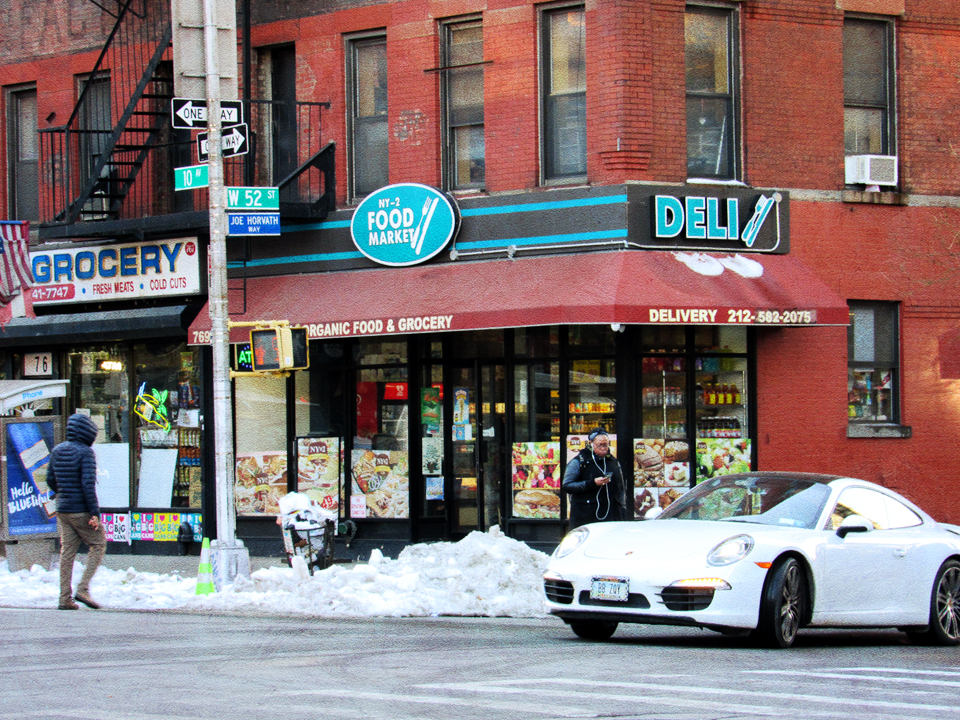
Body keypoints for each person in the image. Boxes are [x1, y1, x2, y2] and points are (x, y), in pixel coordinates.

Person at [47, 413, 105, 610]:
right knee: (98, 544)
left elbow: (50, 479)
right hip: (81, 510)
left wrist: (62, 492)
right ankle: (83, 589)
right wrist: (94, 513)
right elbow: (88, 485)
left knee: (67, 552)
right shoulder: (86, 452)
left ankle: (64, 598)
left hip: (63, 509)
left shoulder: (57, 450)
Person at [562, 427, 627, 528]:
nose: (603, 448)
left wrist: (622, 508)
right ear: (591, 444)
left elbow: (621, 487)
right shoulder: (579, 462)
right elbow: (567, 485)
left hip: (612, 516)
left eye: (606, 445)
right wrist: (592, 483)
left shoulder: (613, 461)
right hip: (586, 516)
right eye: (599, 445)